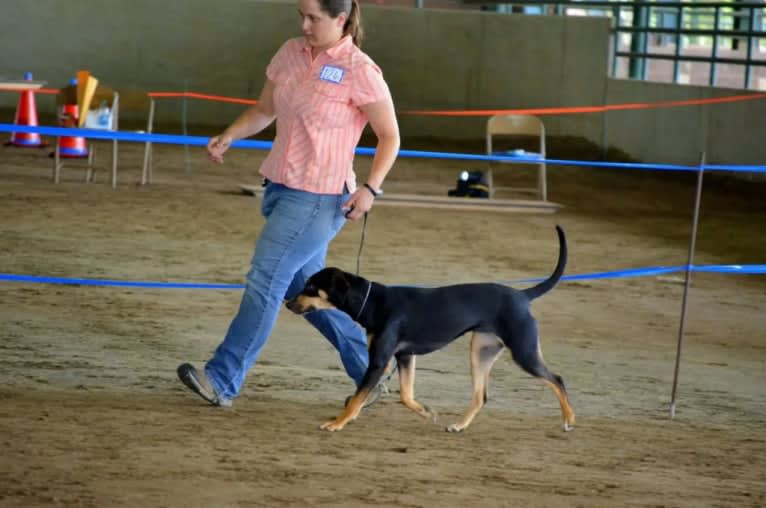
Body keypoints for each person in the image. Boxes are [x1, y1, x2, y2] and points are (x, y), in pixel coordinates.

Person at [177, 0, 400, 408]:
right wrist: (230, 135)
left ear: (341, 19)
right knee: (305, 288)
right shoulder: (289, 53)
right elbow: (265, 110)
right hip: (279, 190)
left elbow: (390, 136)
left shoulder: (360, 70)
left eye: (314, 18)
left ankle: (221, 380)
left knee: (265, 279)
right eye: (301, 15)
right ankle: (374, 366)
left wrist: (371, 188)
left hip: (319, 198)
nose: (305, 24)